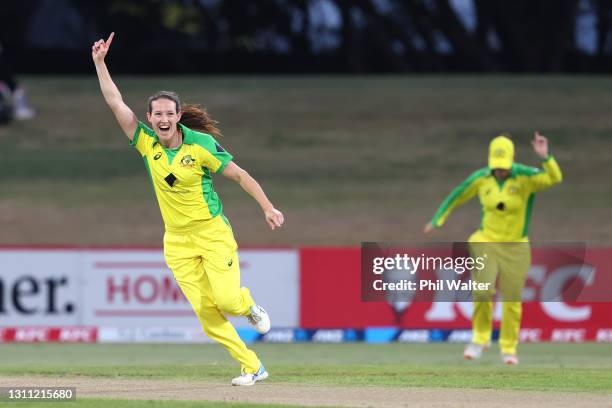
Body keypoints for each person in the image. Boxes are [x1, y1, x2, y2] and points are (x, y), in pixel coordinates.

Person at [92, 33, 284, 385]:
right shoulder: (145, 141)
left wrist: (268, 208)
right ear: (149, 117)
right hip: (177, 242)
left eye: (169, 113)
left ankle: (250, 307)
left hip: (211, 233)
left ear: (178, 116)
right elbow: (116, 103)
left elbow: (240, 176)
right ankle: (253, 366)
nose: (162, 119)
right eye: (157, 114)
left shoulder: (200, 146)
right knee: (206, 313)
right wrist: (100, 63)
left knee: (227, 300)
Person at [424, 132, 562, 365]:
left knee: (511, 299)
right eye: (496, 166)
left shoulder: (525, 177)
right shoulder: (482, 178)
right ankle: (480, 338)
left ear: (512, 160)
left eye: (504, 166)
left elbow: (554, 178)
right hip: (486, 240)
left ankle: (508, 348)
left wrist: (545, 157)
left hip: (515, 245)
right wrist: (438, 219)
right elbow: (457, 195)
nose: (500, 171)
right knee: (482, 290)